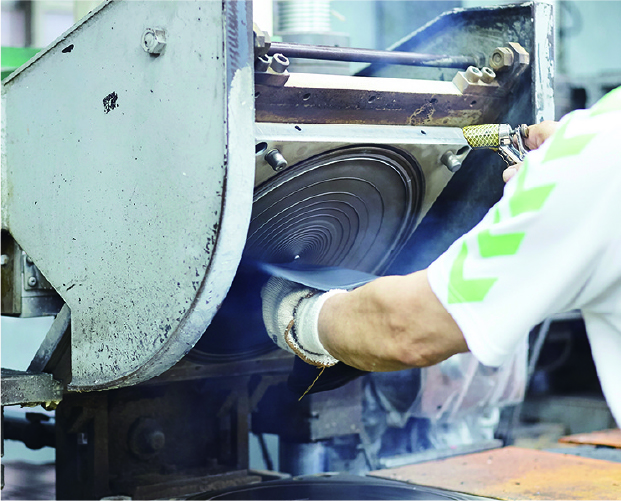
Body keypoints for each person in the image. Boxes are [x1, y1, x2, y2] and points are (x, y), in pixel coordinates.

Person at [262, 86, 621, 425]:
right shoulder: (596, 149)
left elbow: (407, 329)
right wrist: (571, 166)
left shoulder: (598, 146)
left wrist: (295, 315)